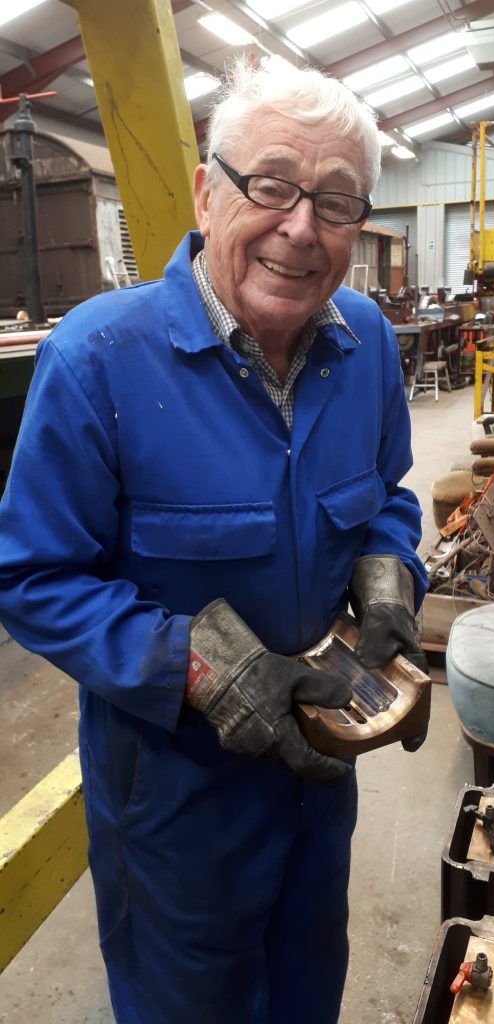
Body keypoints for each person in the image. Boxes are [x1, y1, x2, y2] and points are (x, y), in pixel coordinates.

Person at [0, 59, 427, 1024]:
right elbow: (34, 577)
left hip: (320, 779)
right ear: (207, 190)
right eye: (271, 184)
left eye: (337, 200)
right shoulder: (97, 360)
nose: (301, 228)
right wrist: (197, 663)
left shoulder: (364, 344)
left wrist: (389, 575)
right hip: (176, 806)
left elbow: (389, 499)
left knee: (309, 984)